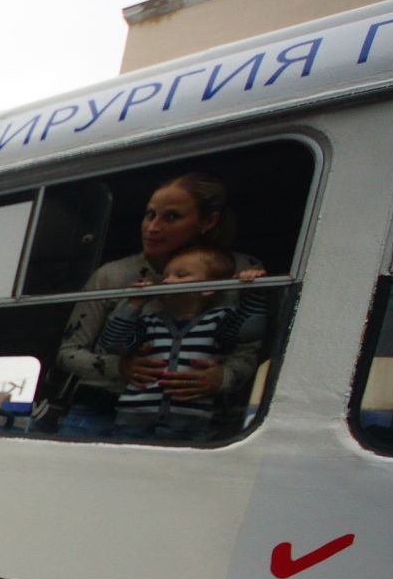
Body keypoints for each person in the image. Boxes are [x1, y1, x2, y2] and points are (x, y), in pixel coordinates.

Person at [53, 172, 264, 437]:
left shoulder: (238, 272)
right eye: (149, 215)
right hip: (102, 410)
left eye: (172, 217)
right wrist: (120, 367)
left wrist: (223, 377)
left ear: (208, 221)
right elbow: (68, 352)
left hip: (194, 416)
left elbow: (251, 348)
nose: (152, 228)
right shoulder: (113, 275)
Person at [98, 245, 246, 441]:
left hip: (191, 425)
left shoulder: (219, 320)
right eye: (165, 276)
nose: (167, 281)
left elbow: (248, 331)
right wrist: (133, 303)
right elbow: (112, 343)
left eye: (181, 275)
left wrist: (251, 289)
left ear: (208, 288)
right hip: (133, 423)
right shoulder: (149, 322)